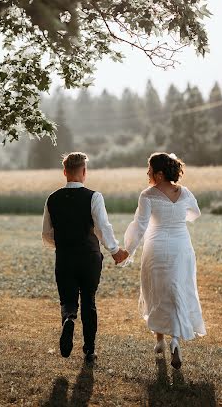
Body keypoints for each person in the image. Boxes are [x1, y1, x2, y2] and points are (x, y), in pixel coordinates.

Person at [42, 152, 128, 362]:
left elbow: (46, 233)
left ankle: (69, 320)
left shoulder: (52, 198)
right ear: (84, 172)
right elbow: (102, 227)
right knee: (89, 300)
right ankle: (89, 349)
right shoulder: (94, 197)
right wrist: (115, 251)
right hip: (89, 257)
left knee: (68, 300)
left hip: (64, 258)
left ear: (64, 172)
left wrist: (63, 244)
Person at [123, 152, 206, 369]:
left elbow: (140, 225)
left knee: (155, 291)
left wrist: (128, 251)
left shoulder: (148, 195)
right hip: (181, 247)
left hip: (157, 246)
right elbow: (195, 214)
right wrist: (178, 218)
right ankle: (175, 341)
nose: (147, 173)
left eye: (149, 170)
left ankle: (160, 340)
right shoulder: (185, 192)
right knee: (178, 288)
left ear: (159, 174)